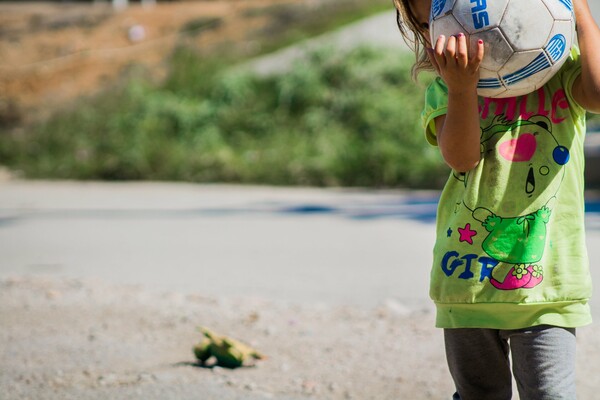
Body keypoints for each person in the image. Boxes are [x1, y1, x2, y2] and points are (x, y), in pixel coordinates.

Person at [393, 0, 600, 399]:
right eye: (428, 23)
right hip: (468, 282)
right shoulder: (444, 89)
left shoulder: (559, 72)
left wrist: (581, 15)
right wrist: (461, 88)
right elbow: (462, 157)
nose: (446, 32)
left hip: (548, 289)